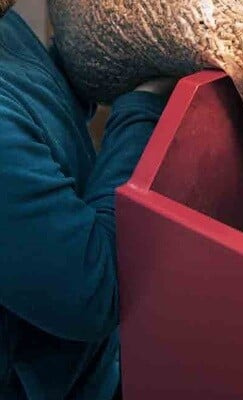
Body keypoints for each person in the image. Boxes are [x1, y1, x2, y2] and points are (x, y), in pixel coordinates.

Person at [0, 4, 177, 399]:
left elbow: (43, 105)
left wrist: (108, 39)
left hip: (100, 361)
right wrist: (144, 105)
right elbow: (93, 293)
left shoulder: (4, 27)